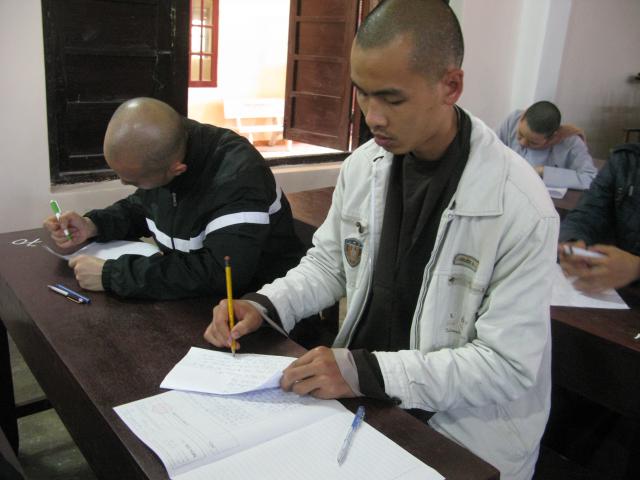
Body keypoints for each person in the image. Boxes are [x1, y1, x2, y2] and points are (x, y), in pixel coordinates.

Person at [204, 1, 558, 478]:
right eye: (363, 94)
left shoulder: (519, 204)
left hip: (457, 429)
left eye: (392, 99)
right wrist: (265, 304)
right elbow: (331, 263)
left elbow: (504, 366)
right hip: (364, 400)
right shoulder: (364, 165)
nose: (373, 117)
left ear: (451, 86)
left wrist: (363, 372)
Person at [43, 97, 304, 300]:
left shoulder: (238, 177)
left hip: (258, 310)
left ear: (177, 169)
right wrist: (93, 224)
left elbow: (220, 274)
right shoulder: (165, 149)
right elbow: (143, 206)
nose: (124, 184)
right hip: (193, 301)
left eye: (134, 181)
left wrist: (113, 275)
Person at [558, 143, 640, 293]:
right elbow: (588, 212)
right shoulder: (625, 159)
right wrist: (573, 242)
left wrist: (636, 268)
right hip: (614, 289)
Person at [497, 101, 597, 190]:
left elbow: (590, 178)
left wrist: (544, 171)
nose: (522, 143)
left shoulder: (570, 142)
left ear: (552, 137)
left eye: (533, 142)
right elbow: (492, 151)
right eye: (520, 134)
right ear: (522, 118)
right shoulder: (513, 120)